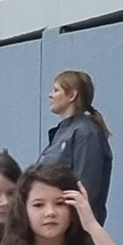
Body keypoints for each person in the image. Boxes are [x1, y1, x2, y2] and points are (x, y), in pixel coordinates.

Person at [39, 70, 112, 225]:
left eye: (56, 90)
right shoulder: (63, 132)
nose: (50, 95)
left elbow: (86, 188)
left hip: (73, 226)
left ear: (72, 95)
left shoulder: (86, 133)